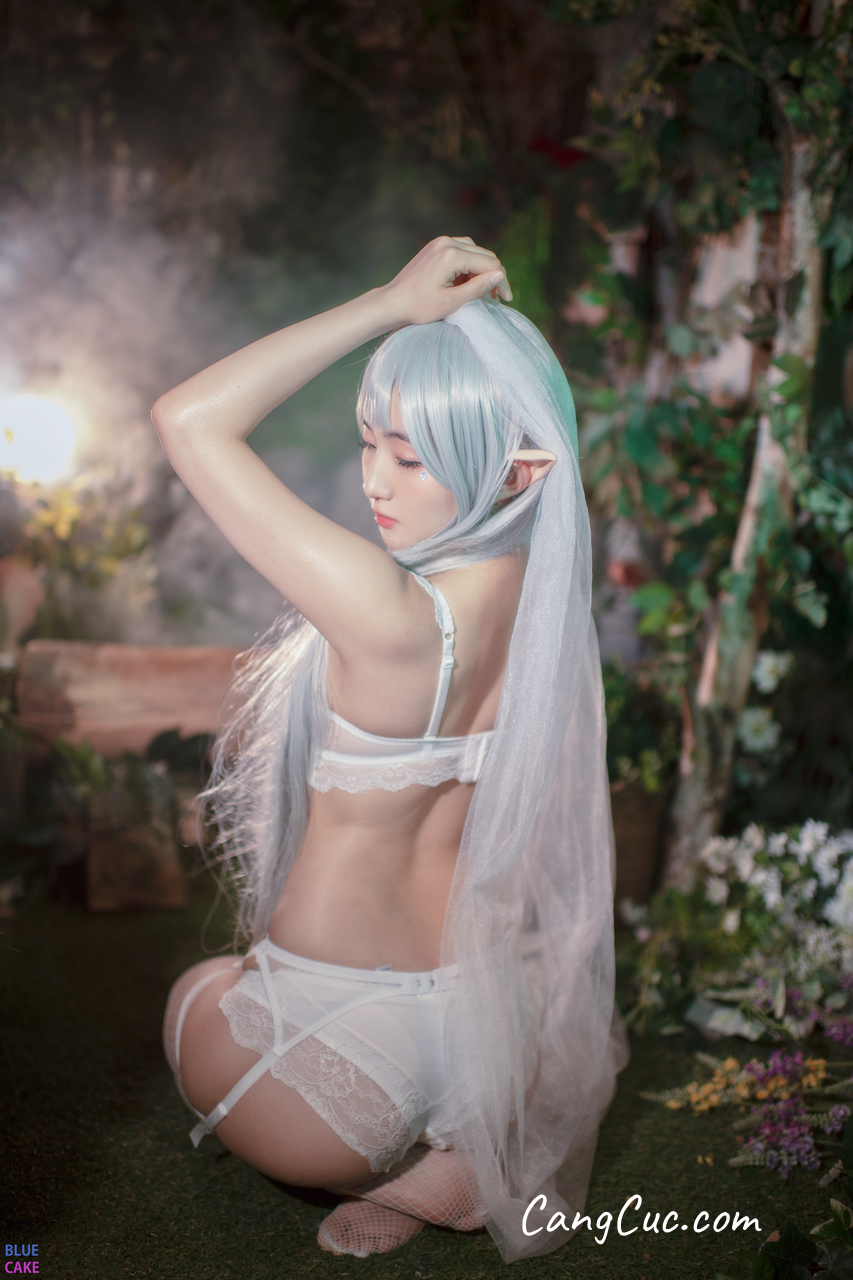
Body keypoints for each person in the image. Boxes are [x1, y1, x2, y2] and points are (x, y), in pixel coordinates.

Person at [155, 236, 625, 1263]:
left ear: (518, 469)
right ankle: (454, 1155)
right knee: (234, 987)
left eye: (411, 458)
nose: (376, 481)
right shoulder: (540, 603)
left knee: (196, 991)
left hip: (324, 1053)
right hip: (488, 1029)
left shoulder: (388, 612)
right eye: (369, 440)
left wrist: (386, 303)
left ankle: (386, 1163)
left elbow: (186, 419)